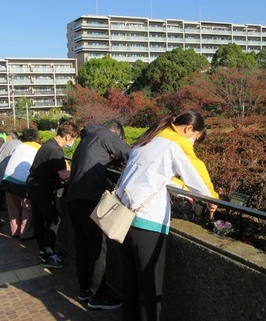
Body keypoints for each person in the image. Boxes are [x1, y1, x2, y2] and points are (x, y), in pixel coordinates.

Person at [116, 111, 219, 321]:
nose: (192, 143)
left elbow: (155, 175)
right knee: (150, 291)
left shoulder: (150, 139)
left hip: (123, 220)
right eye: (196, 138)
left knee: (131, 284)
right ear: (189, 129)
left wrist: (181, 187)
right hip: (147, 223)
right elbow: (196, 175)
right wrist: (212, 199)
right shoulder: (175, 143)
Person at [67, 120, 130, 309]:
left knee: (82, 246)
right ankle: (98, 296)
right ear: (114, 132)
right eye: (117, 139)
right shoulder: (105, 134)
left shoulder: (88, 138)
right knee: (96, 249)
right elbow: (131, 155)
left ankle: (84, 290)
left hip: (73, 198)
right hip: (90, 199)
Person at [26, 120, 80, 269]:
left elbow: (62, 166)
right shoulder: (55, 150)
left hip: (34, 185)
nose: (73, 142)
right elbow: (64, 174)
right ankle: (49, 255)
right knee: (53, 221)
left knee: (38, 219)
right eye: (74, 138)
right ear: (68, 136)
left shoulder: (49, 144)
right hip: (43, 189)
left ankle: (44, 251)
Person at [1, 128, 41, 240]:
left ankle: (15, 232)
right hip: (22, 183)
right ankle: (25, 234)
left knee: (13, 208)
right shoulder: (37, 147)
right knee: (27, 207)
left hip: (7, 179)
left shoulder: (19, 146)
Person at [0, 132, 20, 229]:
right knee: (14, 201)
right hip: (6, 175)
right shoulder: (19, 144)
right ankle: (16, 225)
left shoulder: (5, 143)